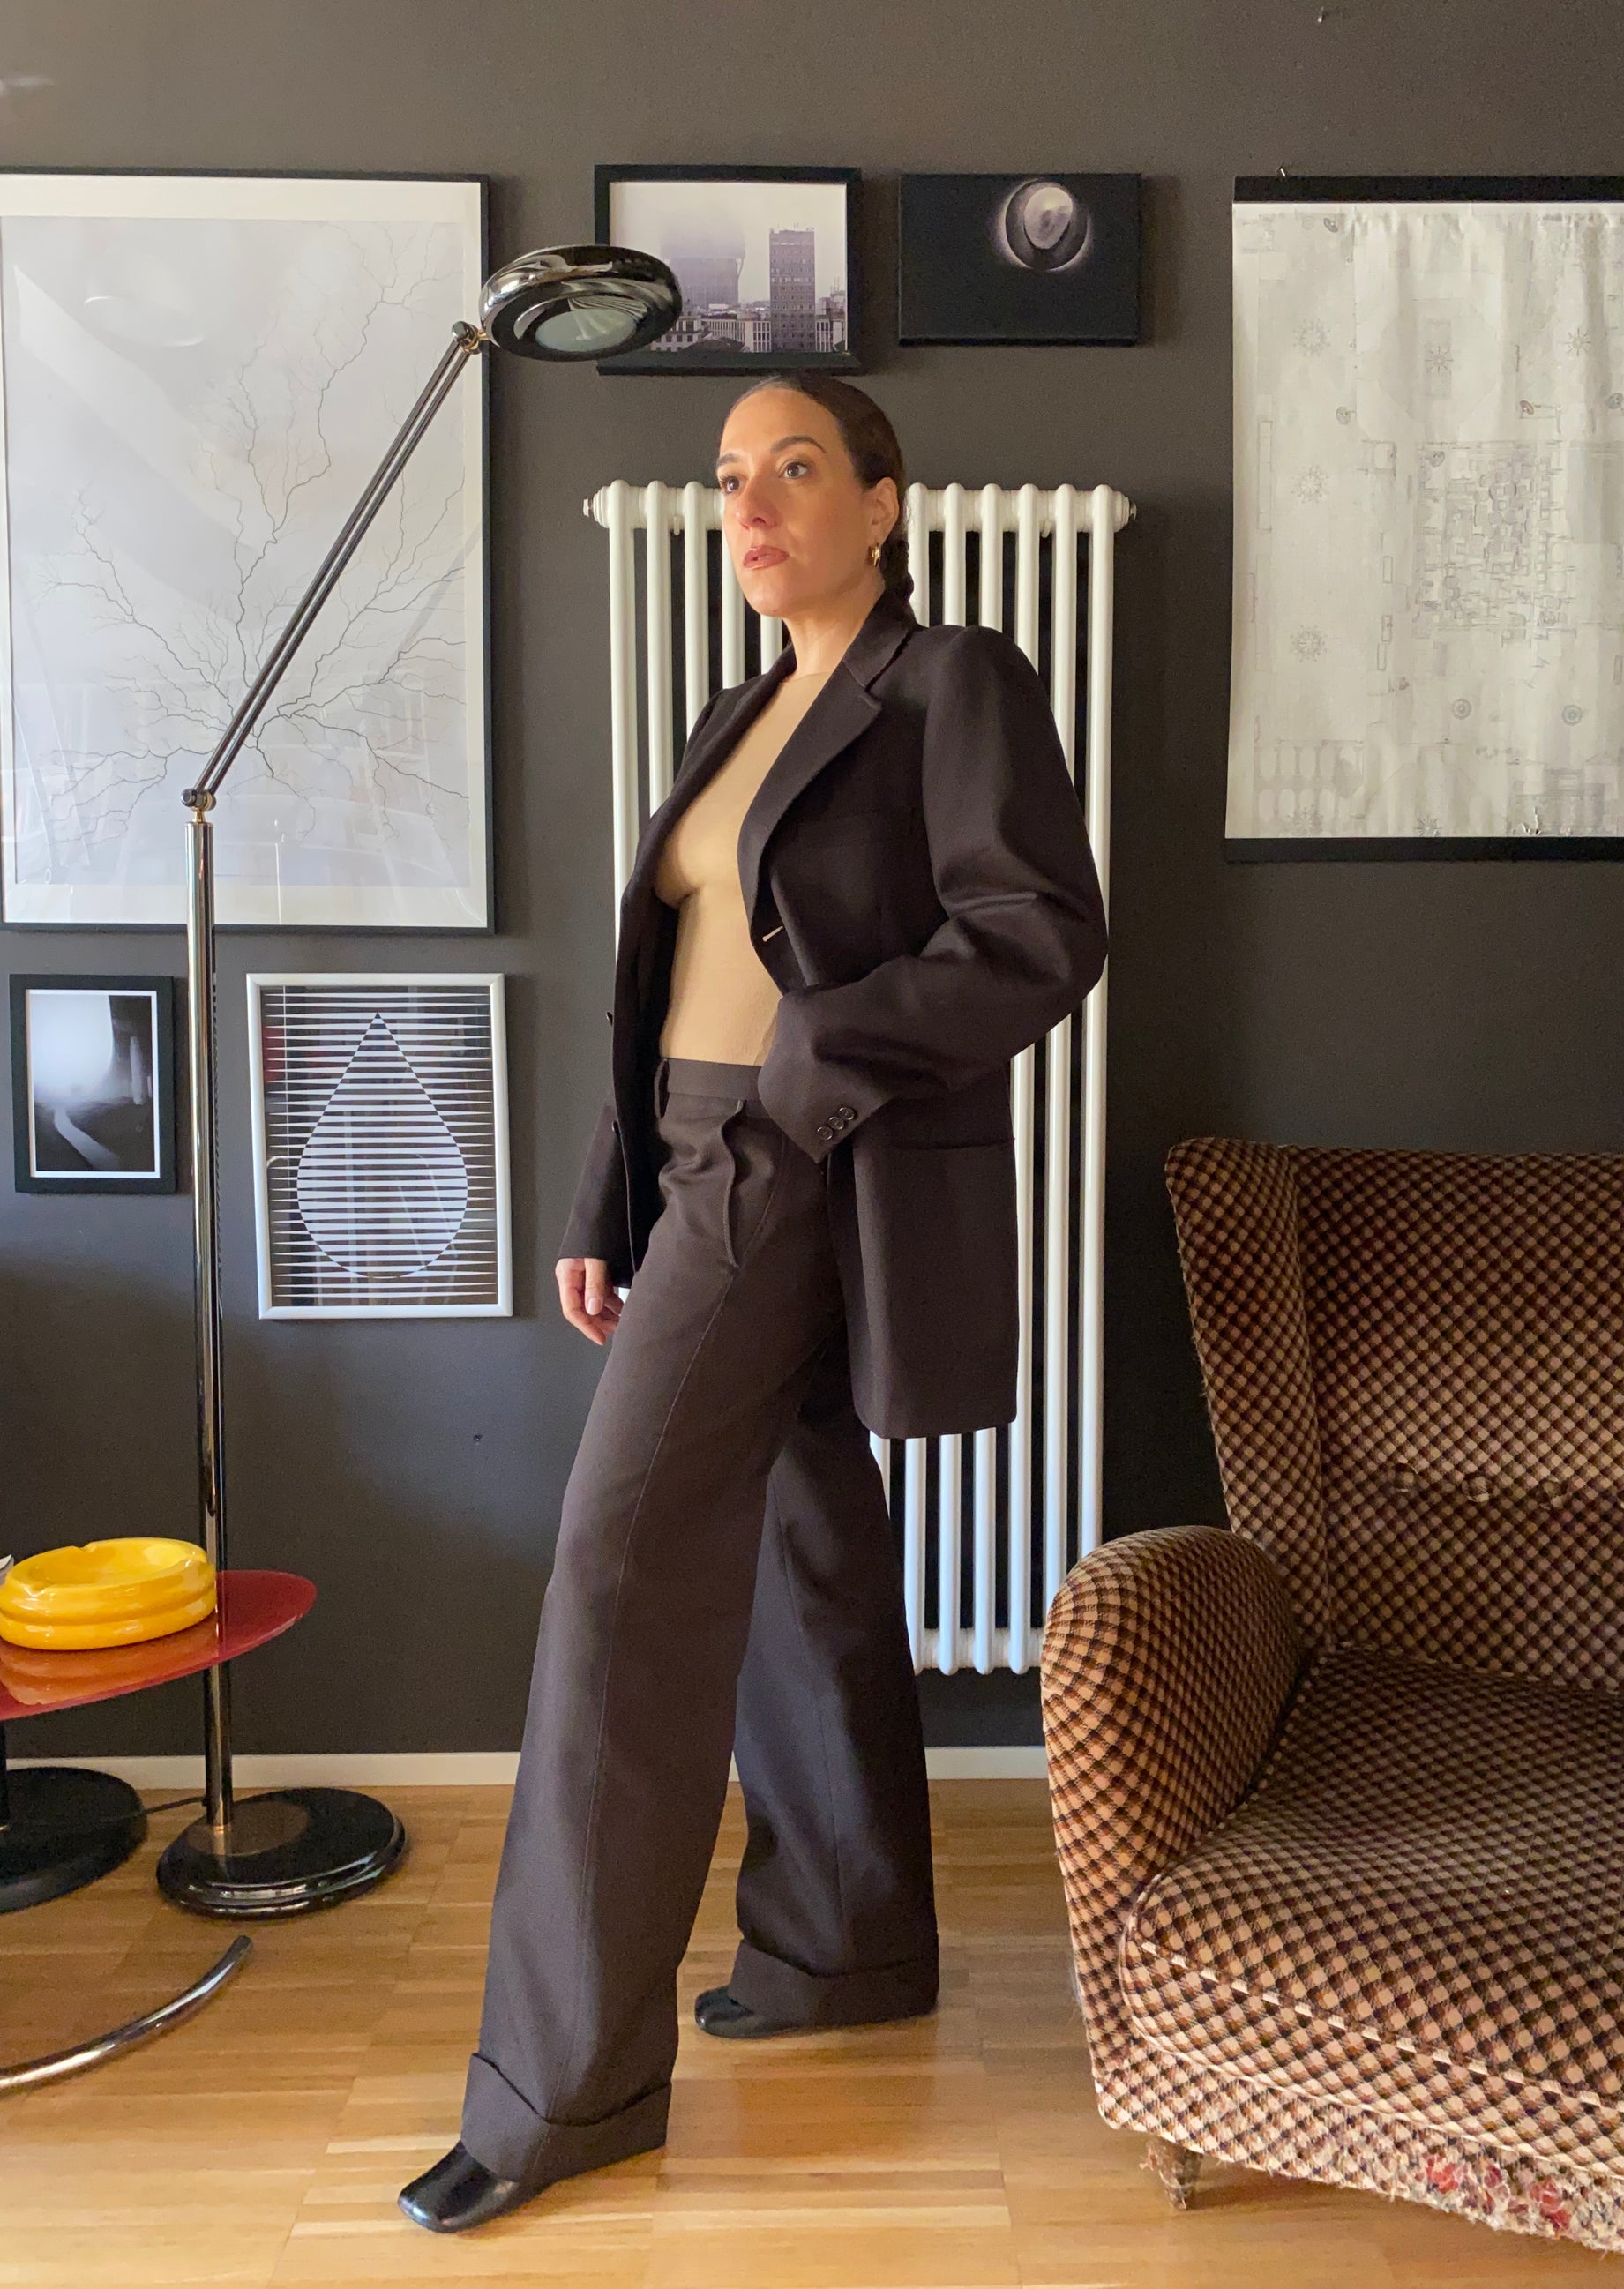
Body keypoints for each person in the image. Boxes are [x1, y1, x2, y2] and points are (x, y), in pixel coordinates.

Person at [400, 372, 1109, 2232]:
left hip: (792, 1158)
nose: (752, 504)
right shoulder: (740, 710)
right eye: (729, 477)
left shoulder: (950, 682)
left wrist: (819, 1054)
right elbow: (668, 977)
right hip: (692, 1152)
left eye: (795, 467)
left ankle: (559, 2087)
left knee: (618, 1572)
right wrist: (605, 1190)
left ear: (882, 502)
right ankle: (844, 1943)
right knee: (802, 1541)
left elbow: (1041, 929)